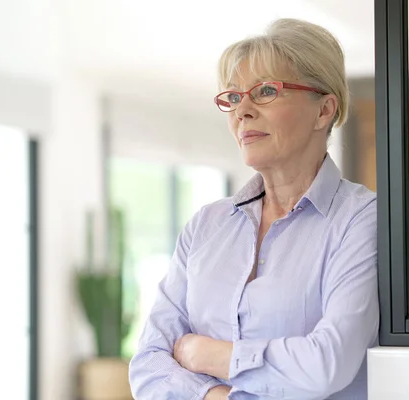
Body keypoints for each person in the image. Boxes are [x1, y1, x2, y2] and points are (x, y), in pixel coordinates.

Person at [129, 18, 379, 399]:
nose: (241, 110)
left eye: (264, 91)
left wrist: (209, 354)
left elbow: (328, 363)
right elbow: (148, 364)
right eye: (232, 97)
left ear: (324, 110)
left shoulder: (363, 220)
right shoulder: (205, 226)